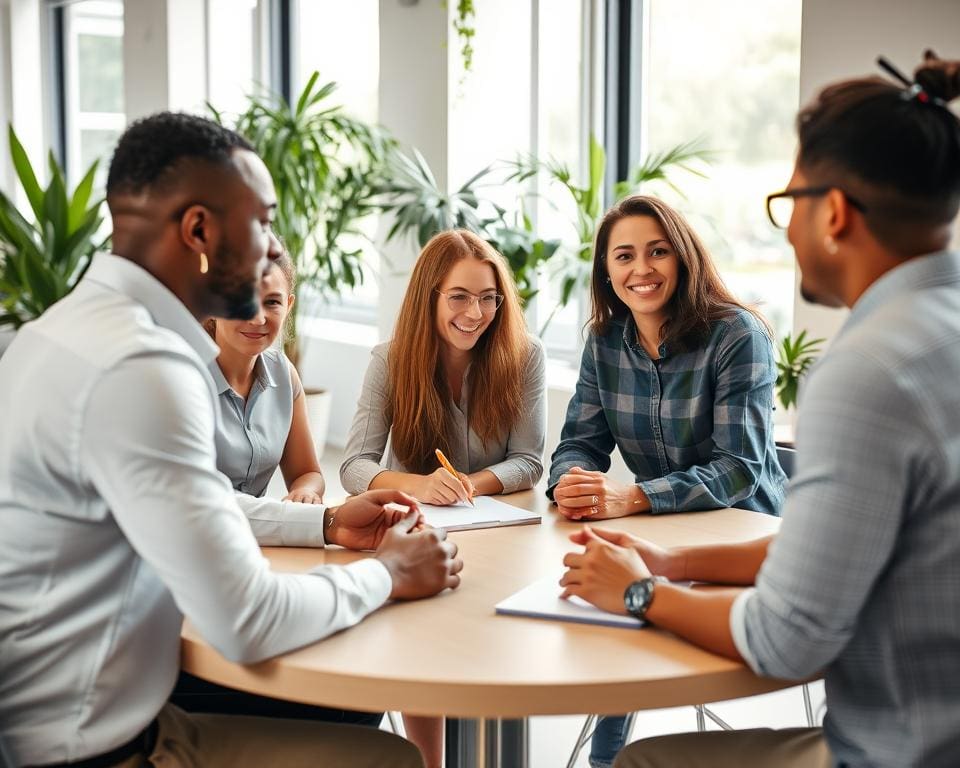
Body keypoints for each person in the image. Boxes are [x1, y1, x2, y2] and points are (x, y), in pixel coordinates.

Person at [0, 112, 463, 768]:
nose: (273, 248)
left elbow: (188, 501)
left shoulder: (55, 331)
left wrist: (327, 521)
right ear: (200, 231)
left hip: (40, 716)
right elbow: (248, 622)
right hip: (97, 747)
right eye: (264, 222)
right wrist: (386, 572)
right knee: (389, 758)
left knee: (352, 707)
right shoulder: (143, 366)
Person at [560, 51, 960, 768]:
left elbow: (787, 637)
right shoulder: (938, 331)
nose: (786, 228)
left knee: (640, 764)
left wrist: (642, 591)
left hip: (896, 750)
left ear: (832, 212)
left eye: (790, 202)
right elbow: (830, 547)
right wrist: (670, 556)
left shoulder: (868, 369)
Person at [546, 195, 786, 767]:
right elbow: (579, 440)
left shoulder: (736, 335)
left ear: (682, 257)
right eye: (623, 256)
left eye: (657, 252)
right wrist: (571, 481)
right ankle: (608, 755)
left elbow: (739, 468)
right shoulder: (605, 342)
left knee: (626, 597)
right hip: (660, 526)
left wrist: (633, 496)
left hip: (743, 533)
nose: (641, 270)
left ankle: (609, 757)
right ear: (607, 270)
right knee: (592, 593)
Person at [340, 228, 547, 767]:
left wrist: (468, 486)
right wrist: (417, 485)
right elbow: (354, 466)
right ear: (429, 295)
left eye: (487, 298)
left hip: (500, 531)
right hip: (417, 532)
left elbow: (529, 461)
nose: (475, 313)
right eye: (459, 296)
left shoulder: (524, 357)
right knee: (421, 638)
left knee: (497, 639)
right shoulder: (390, 361)